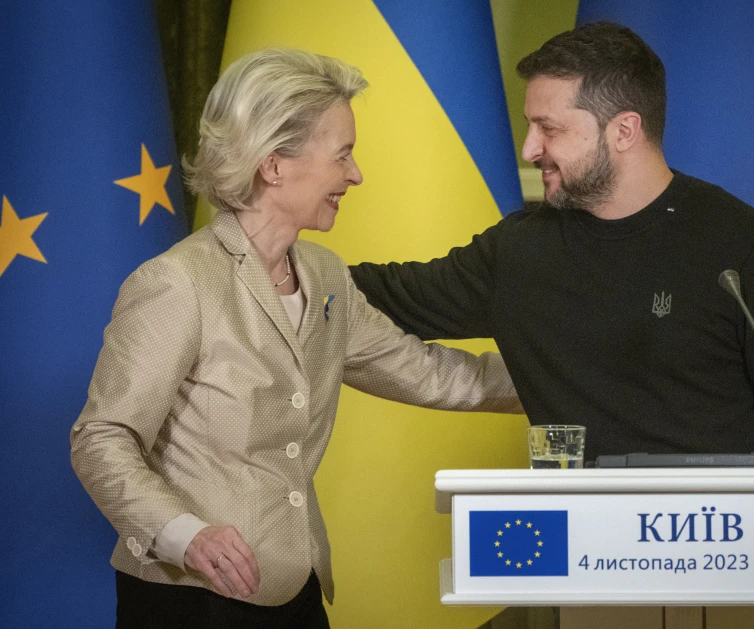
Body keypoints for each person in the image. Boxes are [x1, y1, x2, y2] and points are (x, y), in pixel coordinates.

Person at [70, 48, 521, 629]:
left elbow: (429, 373)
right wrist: (187, 535)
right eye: (343, 155)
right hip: (191, 597)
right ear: (273, 164)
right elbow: (101, 438)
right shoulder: (177, 283)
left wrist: (559, 384)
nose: (355, 175)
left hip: (297, 589)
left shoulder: (327, 275)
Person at [349, 22, 754, 468]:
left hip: (737, 560)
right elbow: (378, 295)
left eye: (548, 128)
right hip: (587, 563)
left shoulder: (749, 253)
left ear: (624, 131)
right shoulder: (519, 253)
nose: (529, 149)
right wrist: (271, 249)